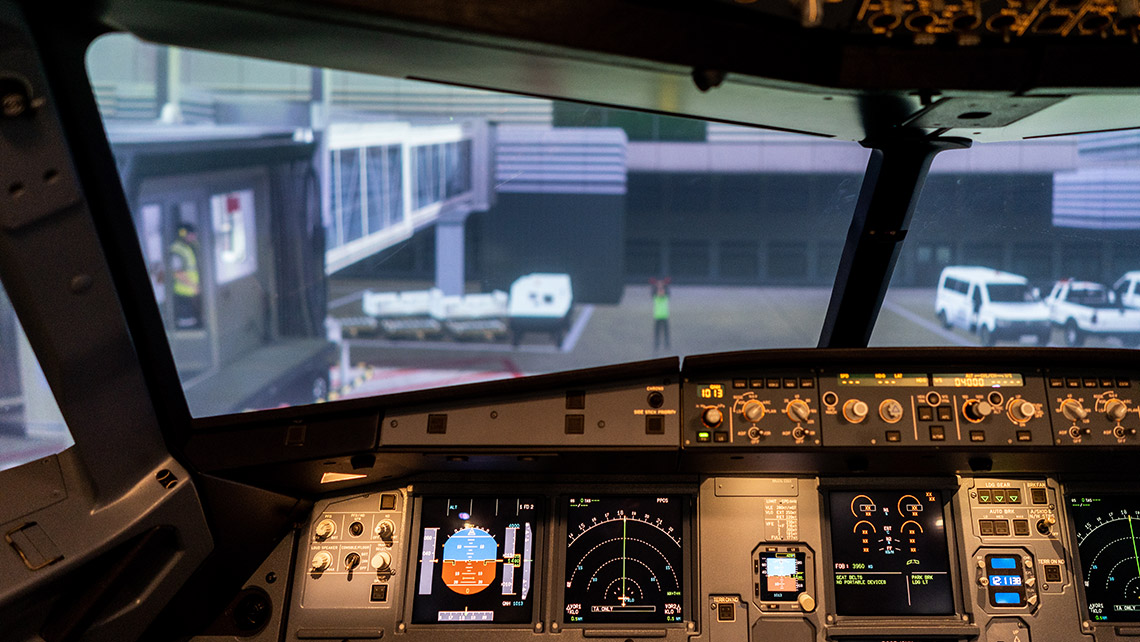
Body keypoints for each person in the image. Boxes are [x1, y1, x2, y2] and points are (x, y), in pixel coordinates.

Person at [170, 223, 202, 329]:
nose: (194, 237)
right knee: (187, 324)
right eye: (192, 234)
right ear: (184, 234)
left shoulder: (189, 247)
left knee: (193, 320)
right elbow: (177, 273)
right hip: (183, 293)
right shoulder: (177, 250)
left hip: (190, 292)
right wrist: (193, 286)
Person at [651, 277, 671, 350]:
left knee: (666, 332)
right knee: (657, 333)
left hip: (665, 316)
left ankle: (667, 345)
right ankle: (656, 345)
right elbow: (653, 292)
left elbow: (667, 291)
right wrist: (657, 285)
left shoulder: (665, 297)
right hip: (657, 316)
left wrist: (663, 285)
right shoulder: (656, 297)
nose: (661, 292)